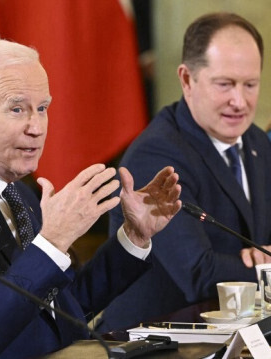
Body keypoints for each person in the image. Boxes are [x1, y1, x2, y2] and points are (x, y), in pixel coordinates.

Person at [0, 39, 182, 359]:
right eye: (17, 109)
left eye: (42, 109)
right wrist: (52, 241)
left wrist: (133, 238)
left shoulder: (17, 192)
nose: (36, 127)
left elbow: (63, 308)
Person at [97, 12, 271, 333]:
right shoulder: (157, 155)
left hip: (240, 334)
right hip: (154, 343)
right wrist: (265, 268)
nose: (240, 101)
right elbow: (199, 274)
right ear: (187, 79)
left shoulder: (257, 141)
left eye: (250, 84)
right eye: (225, 84)